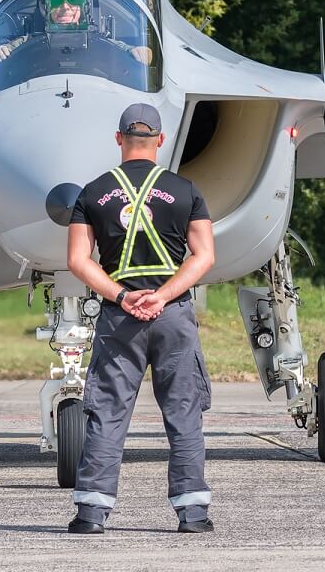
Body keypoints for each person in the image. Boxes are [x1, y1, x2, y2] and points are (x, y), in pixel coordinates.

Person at [65, 103, 216, 534]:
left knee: (108, 411)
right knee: (183, 411)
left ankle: (91, 514)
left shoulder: (92, 193)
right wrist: (163, 296)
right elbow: (204, 256)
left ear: (119, 139)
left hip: (119, 319)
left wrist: (124, 296)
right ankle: (193, 514)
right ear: (161, 141)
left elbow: (78, 259)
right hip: (173, 316)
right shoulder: (186, 190)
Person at [0, 0, 153, 65]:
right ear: (46, 8)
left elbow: (128, 50)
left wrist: (139, 51)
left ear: (83, 7)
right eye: (58, 1)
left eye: (73, 0)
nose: (65, 7)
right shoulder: (28, 40)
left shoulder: (100, 39)